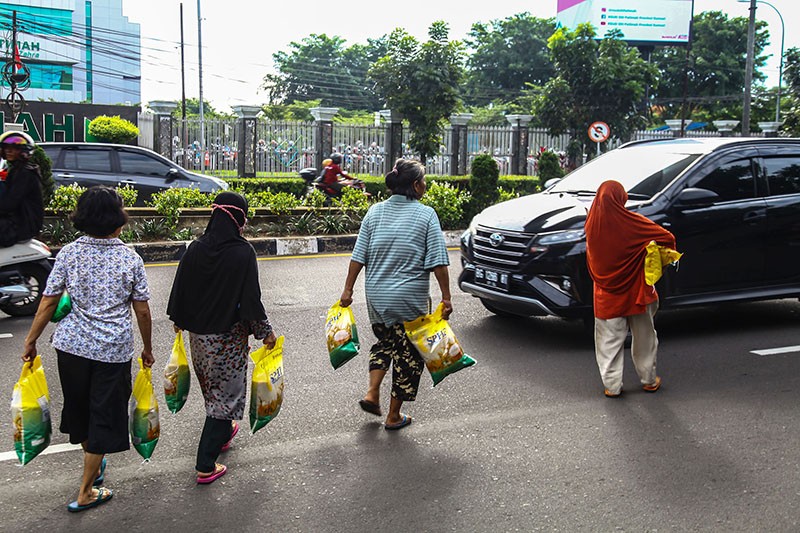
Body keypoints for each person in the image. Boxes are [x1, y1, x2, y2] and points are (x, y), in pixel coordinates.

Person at [21, 186, 153, 512]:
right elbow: (142, 311)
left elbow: (48, 301)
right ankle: (86, 491)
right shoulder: (130, 259)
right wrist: (147, 348)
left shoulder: (68, 253)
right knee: (104, 417)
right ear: (117, 218)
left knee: (80, 410)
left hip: (71, 348)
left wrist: (31, 340)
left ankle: (93, 462)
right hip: (112, 351)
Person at [167, 191, 277, 484]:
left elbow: (181, 288)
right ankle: (205, 463)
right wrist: (266, 333)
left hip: (199, 339)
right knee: (224, 399)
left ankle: (224, 433)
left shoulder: (196, 248)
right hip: (228, 340)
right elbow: (250, 298)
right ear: (238, 218)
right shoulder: (242, 252)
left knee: (214, 389)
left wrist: (179, 320)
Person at [339, 158, 451, 430]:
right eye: (424, 181)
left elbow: (358, 256)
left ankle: (372, 392)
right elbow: (438, 262)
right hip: (409, 301)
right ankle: (393, 416)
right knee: (409, 356)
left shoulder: (375, 212)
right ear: (416, 185)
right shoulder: (426, 215)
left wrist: (348, 289)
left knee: (385, 343)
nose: (426, 185)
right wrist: (447, 297)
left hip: (377, 299)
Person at [585, 180, 677, 398]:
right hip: (638, 293)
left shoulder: (591, 224)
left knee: (608, 342)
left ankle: (612, 386)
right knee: (645, 338)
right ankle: (649, 380)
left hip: (607, 296)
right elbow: (668, 238)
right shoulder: (633, 223)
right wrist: (652, 257)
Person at [0, 130, 44, 247]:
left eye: (14, 148)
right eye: (6, 148)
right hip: (16, 221)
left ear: (24, 151)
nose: (8, 151)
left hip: (22, 225)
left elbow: (9, 204)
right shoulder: (16, 171)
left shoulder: (25, 173)